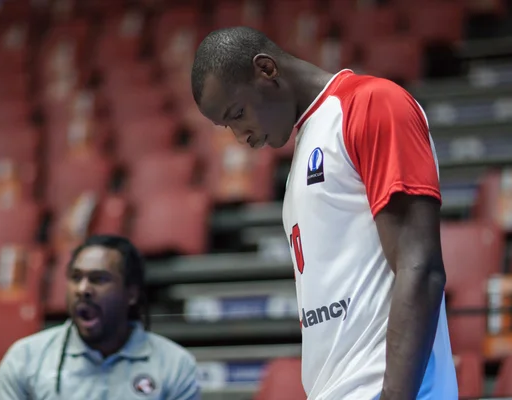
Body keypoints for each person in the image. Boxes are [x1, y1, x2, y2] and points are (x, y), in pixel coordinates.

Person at [191, 27, 457, 400]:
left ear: (266, 70)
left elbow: (421, 267)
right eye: (228, 126)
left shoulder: (372, 104)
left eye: (238, 114)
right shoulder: (304, 150)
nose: (242, 136)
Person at [0, 235, 200, 400]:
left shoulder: (174, 365)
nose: (83, 289)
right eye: (75, 278)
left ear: (131, 294)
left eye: (98, 279)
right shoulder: (25, 359)